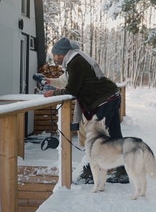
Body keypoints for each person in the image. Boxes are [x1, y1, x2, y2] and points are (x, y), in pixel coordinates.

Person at [43, 37, 128, 183]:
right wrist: (51, 83)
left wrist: (53, 93)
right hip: (111, 96)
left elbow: (72, 89)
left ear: (62, 54)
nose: (55, 58)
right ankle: (122, 172)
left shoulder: (75, 62)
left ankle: (91, 174)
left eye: (55, 55)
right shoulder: (76, 60)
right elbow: (69, 82)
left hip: (104, 101)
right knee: (114, 136)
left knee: (97, 138)